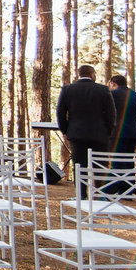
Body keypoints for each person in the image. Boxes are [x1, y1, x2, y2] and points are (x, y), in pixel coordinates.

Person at [56, 64, 116, 197]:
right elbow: (111, 114)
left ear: (79, 74)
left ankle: (81, 195)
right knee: (100, 165)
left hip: (77, 135)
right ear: (92, 74)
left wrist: (66, 130)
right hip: (99, 135)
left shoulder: (67, 90)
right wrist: (108, 131)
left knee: (79, 166)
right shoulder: (103, 90)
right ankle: (100, 194)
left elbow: (60, 113)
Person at [107, 74, 136, 155]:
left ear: (113, 84)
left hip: (118, 133)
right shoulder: (134, 94)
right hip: (133, 132)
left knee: (117, 161)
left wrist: (108, 90)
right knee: (129, 160)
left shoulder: (113, 94)